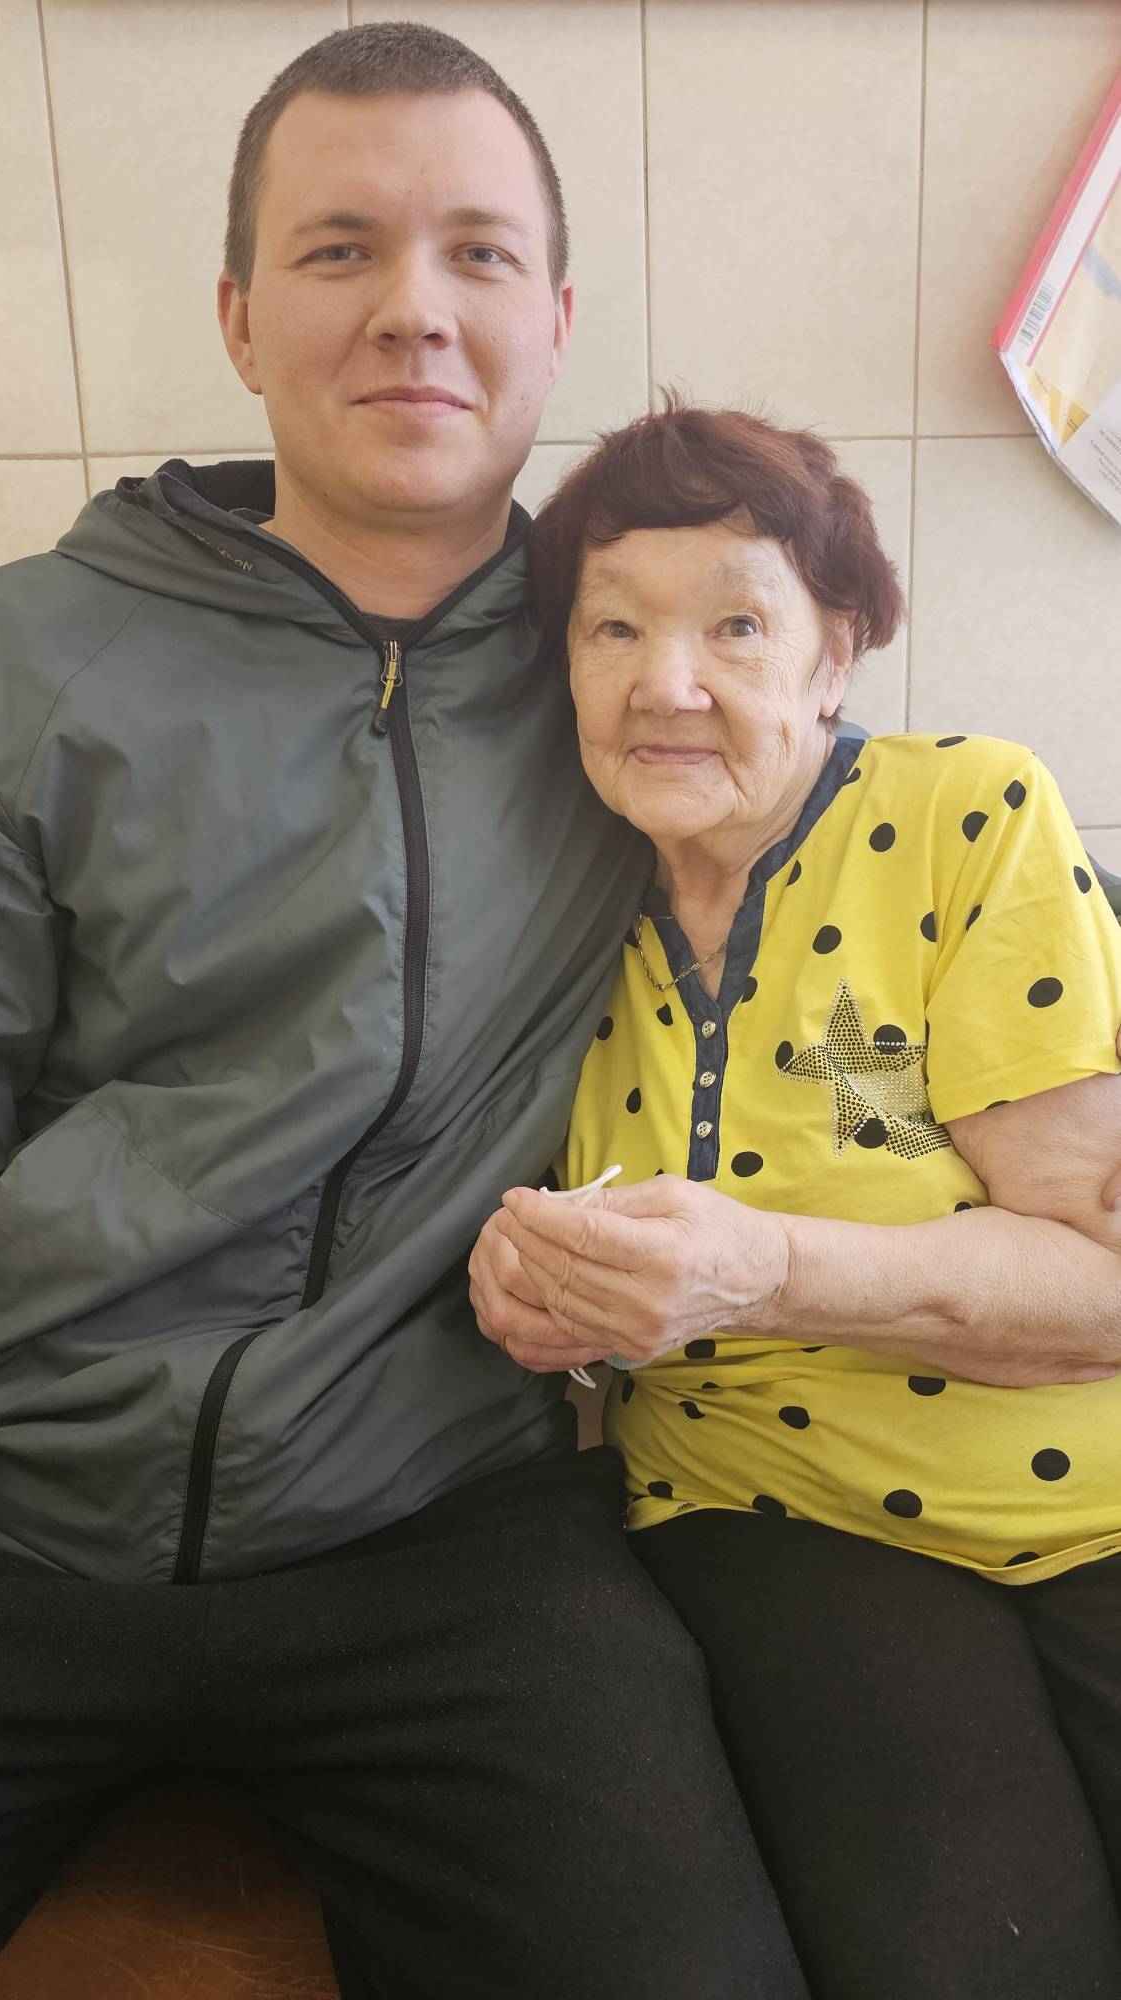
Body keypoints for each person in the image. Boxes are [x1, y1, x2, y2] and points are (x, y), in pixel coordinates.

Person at [0, 29, 812, 1999]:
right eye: (340, 249)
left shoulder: (645, 677)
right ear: (238, 316)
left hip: (447, 1526)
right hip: (25, 1501)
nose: (413, 311)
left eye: (475, 253)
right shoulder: (35, 660)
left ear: (554, 320)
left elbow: (905, 904)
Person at [470, 402, 1121, 2000]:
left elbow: (1098, 1277)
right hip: (770, 1506)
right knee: (978, 1959)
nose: (665, 683)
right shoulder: (539, 896)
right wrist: (524, 1282)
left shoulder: (967, 816)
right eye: (612, 628)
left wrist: (761, 1267)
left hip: (1092, 1484)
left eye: (735, 627)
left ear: (834, 653)